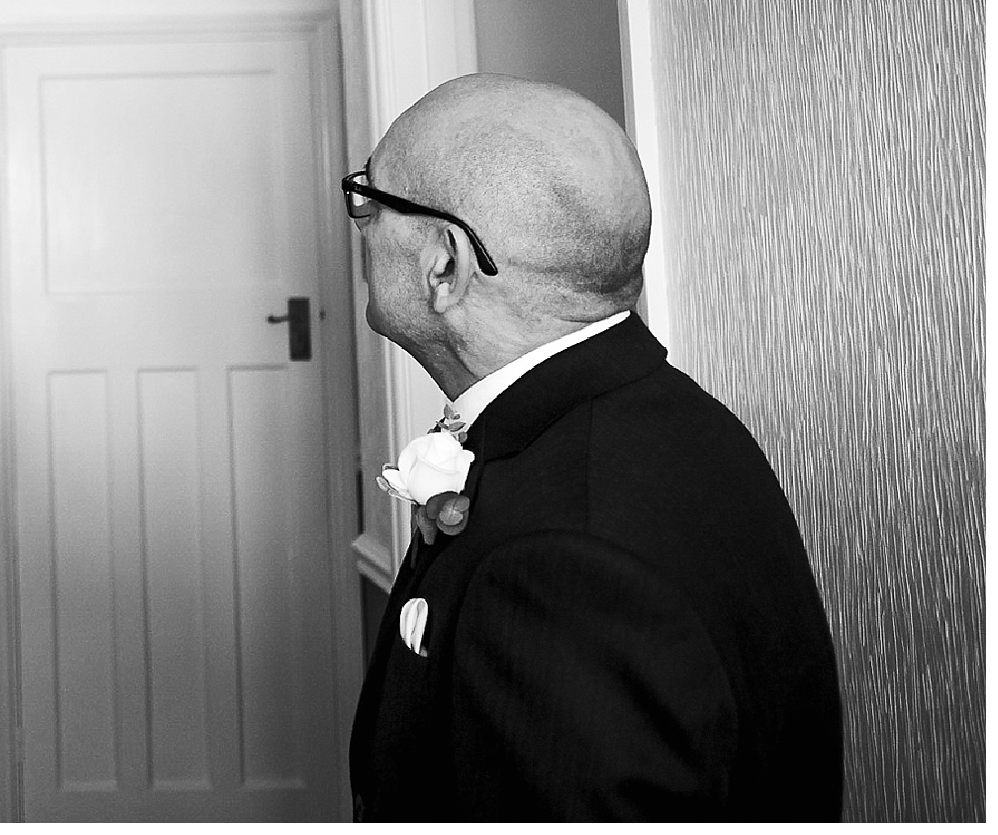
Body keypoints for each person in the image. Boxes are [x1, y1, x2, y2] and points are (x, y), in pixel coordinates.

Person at [344, 73, 842, 819]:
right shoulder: (668, 418)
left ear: (443, 263)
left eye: (369, 200)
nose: (359, 217)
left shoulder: (560, 565)